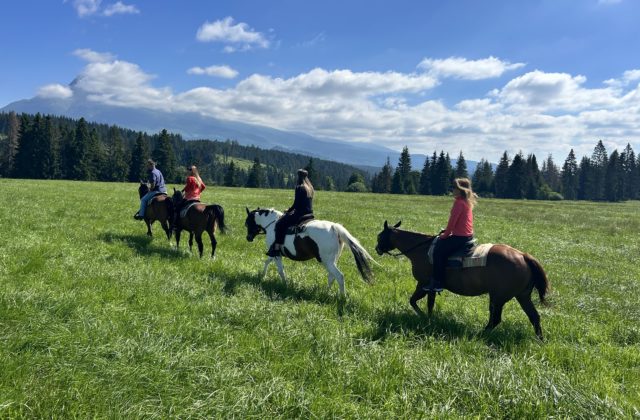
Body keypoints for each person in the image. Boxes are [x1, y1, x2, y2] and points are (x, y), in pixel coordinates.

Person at [425, 177, 476, 292]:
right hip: (468, 236)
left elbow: (452, 223)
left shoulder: (458, 203)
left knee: (438, 252)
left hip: (459, 238)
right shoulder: (466, 202)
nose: (452, 190)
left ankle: (438, 283)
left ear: (460, 189)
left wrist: (444, 235)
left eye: (454, 187)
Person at [266, 169, 314, 257]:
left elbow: (296, 204)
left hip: (300, 215)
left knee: (279, 224)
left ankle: (276, 248)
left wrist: (288, 211)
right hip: (309, 215)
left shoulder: (299, 187)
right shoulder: (310, 188)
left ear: (299, 177)